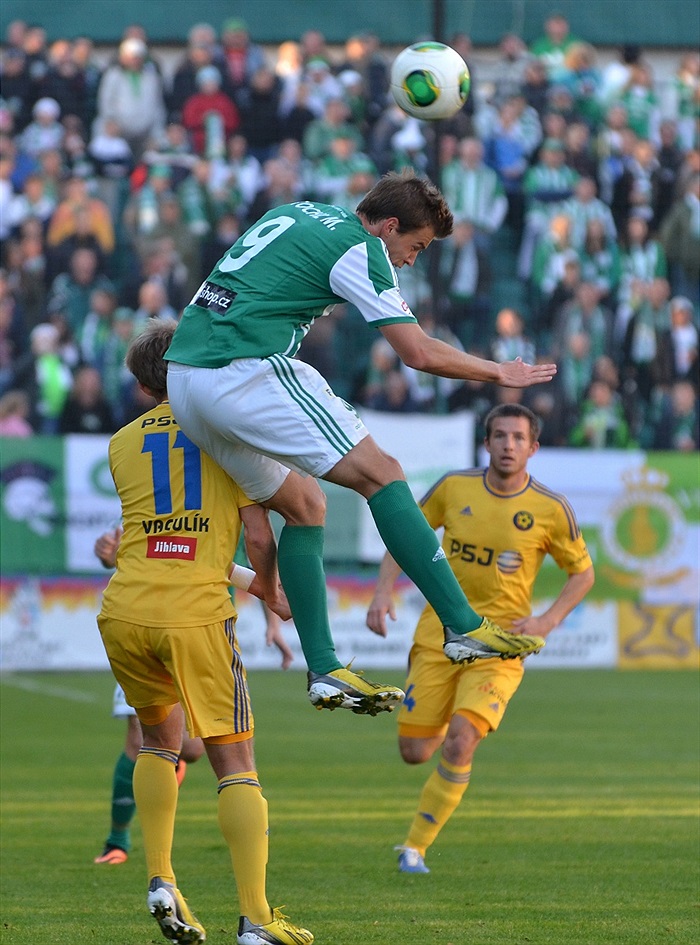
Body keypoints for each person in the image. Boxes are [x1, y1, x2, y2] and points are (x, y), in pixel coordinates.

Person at [165, 170, 557, 719]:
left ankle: (324, 667)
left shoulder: (297, 210)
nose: (410, 260)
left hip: (184, 378)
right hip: (242, 368)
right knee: (384, 473)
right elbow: (416, 352)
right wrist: (499, 372)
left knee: (305, 507)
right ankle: (464, 626)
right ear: (389, 226)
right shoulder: (361, 247)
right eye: (414, 246)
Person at [96, 318, 312, 945]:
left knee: (158, 743)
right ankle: (256, 921)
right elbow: (255, 534)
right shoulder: (223, 429)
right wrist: (272, 588)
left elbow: (170, 543)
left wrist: (253, 587)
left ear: (141, 387)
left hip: (126, 611)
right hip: (194, 615)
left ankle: (160, 876)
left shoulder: (121, 444)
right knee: (236, 765)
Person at [366, 403, 595, 873]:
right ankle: (451, 717)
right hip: (440, 633)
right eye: (499, 436)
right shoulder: (454, 487)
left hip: (500, 642)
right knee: (414, 752)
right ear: (486, 442)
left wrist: (547, 622)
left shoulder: (551, 509)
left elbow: (583, 575)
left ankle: (415, 848)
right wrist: (383, 591)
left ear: (533, 447)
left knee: (460, 742)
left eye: (517, 438)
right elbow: (405, 532)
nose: (508, 445)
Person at [92, 523, 293, 866]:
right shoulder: (153, 494)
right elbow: (127, 550)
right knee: (141, 739)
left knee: (191, 748)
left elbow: (249, 561)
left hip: (201, 630)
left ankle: (168, 778)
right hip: (143, 622)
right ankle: (117, 841)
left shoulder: (225, 503)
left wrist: (272, 622)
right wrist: (111, 554)